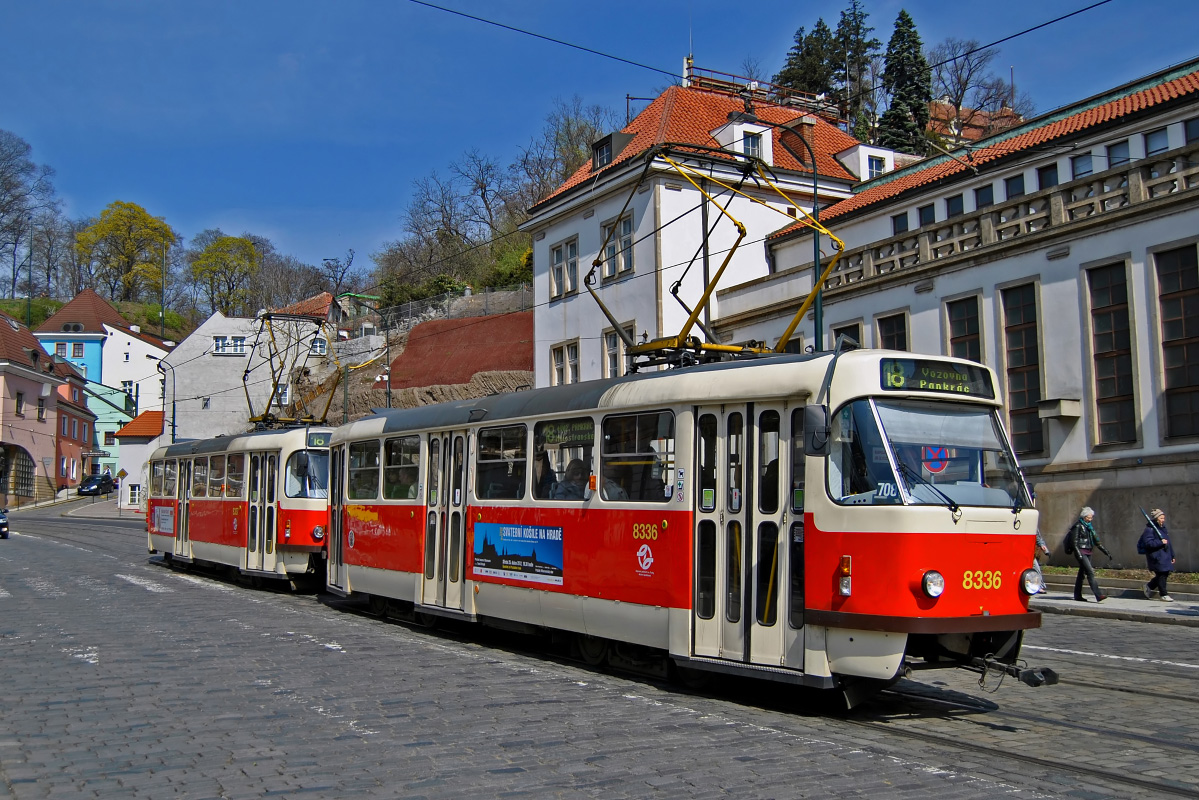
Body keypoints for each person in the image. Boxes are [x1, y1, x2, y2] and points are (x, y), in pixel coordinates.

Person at [1069, 506, 1111, 602]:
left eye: (1091, 517)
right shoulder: (1078, 526)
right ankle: (1098, 595)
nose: (1091, 519)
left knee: (1081, 574)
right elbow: (1074, 542)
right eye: (1089, 517)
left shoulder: (1089, 527)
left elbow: (1097, 542)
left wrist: (1106, 551)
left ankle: (1077, 595)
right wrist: (1078, 554)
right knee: (1090, 572)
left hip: (1088, 551)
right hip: (1081, 551)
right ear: (1084, 517)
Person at [1139, 508, 1176, 602]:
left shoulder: (1163, 528)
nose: (1163, 520)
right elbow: (1148, 543)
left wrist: (1172, 555)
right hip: (1157, 556)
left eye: (1164, 518)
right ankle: (1163, 594)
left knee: (1165, 573)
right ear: (1156, 518)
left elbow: (1168, 543)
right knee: (1162, 574)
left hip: (1165, 555)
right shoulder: (1149, 529)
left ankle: (1148, 586)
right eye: (1161, 518)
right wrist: (1160, 542)